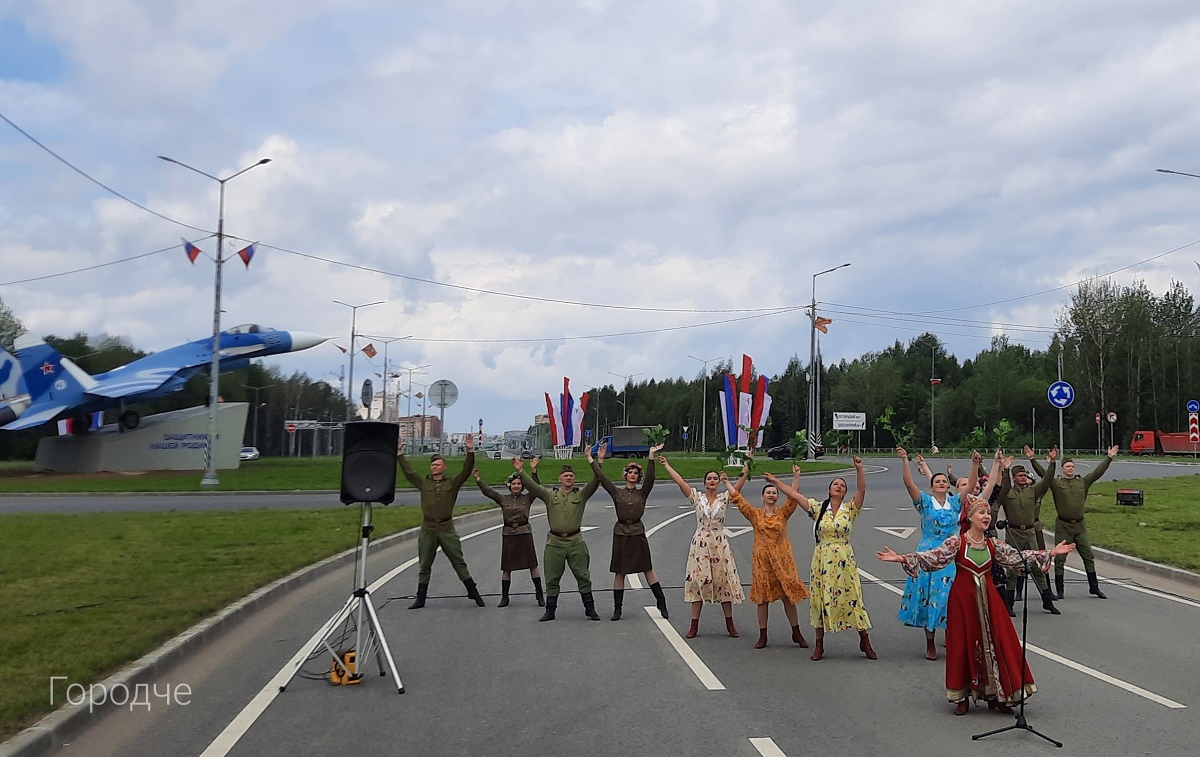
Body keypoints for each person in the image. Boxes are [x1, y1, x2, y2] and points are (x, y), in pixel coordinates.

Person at [877, 497, 1075, 715]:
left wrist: (1050, 553)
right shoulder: (957, 543)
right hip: (963, 599)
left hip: (989, 598)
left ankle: (997, 694)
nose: (986, 516)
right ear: (969, 517)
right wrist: (902, 558)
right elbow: (934, 558)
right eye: (981, 513)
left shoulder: (993, 544)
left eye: (988, 513)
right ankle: (961, 696)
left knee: (997, 641)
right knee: (963, 643)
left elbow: (1017, 557)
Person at [768, 458, 876, 661]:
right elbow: (793, 494)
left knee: (851, 597)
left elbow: (861, 490)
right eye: (836, 483)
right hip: (822, 560)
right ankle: (819, 645)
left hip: (844, 559)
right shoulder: (818, 508)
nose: (839, 486)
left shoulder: (849, 510)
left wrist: (859, 468)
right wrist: (775, 481)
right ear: (829, 489)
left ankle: (864, 639)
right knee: (820, 599)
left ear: (844, 492)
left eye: (842, 485)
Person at [895, 448, 980, 661]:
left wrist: (975, 465)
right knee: (929, 598)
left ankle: (952, 638)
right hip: (928, 552)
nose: (941, 483)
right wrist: (905, 460)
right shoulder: (924, 502)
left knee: (949, 596)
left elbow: (970, 485)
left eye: (944, 481)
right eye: (937, 481)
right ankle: (930, 643)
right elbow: (909, 484)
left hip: (950, 554)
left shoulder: (954, 502)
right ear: (932, 485)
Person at [659, 456, 749, 638]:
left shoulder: (725, 498)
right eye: (709, 479)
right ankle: (694, 625)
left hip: (719, 543)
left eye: (715, 478)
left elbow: (739, 486)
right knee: (698, 581)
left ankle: (730, 623)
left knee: (723, 581)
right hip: (700, 544)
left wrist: (747, 464)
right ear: (705, 482)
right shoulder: (696, 498)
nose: (712, 481)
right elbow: (680, 482)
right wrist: (667, 465)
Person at [724, 465, 809, 650]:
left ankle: (796, 632)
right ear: (762, 497)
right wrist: (726, 483)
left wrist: (796, 476)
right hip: (762, 561)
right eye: (768, 492)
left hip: (783, 559)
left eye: (774, 492)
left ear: (777, 497)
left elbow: (793, 497)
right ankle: (763, 635)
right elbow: (739, 500)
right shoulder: (755, 514)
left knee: (788, 596)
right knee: (762, 599)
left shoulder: (783, 513)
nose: (771, 495)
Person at [398, 434, 485, 609]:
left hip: (446, 528)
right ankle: (421, 597)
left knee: (458, 561)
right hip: (428, 528)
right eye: (432, 464)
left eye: (437, 464)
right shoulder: (424, 483)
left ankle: (472, 591)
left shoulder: (452, 483)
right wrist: (400, 453)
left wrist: (470, 451)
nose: (434, 467)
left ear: (444, 467)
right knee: (424, 564)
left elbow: (466, 471)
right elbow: (409, 472)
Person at [519, 450, 602, 621]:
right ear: (560, 479)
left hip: (576, 542)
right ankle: (550, 610)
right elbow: (534, 488)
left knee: (583, 576)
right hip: (555, 543)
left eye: (571, 475)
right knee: (552, 578)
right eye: (565, 475)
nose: (569, 478)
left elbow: (596, 481)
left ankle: (590, 608)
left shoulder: (581, 494)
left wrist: (597, 461)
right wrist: (522, 471)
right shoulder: (551, 495)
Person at [590, 443, 669, 621]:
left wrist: (651, 457)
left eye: (636, 473)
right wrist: (594, 460)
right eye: (630, 472)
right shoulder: (617, 493)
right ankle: (617, 608)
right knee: (620, 572)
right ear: (625, 475)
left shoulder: (642, 494)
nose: (633, 475)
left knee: (647, 569)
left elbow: (651, 478)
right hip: (621, 533)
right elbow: (602, 478)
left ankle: (661, 601)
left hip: (637, 533)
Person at [1029, 445, 1118, 600]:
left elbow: (1097, 473)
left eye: (1072, 466)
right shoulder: (1056, 483)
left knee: (1088, 556)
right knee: (1060, 559)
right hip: (1063, 526)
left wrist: (1109, 457)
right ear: (1062, 469)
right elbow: (1044, 475)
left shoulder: (1083, 482)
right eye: (1067, 466)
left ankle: (1094, 587)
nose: (1070, 468)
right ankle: (1060, 590)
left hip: (1080, 526)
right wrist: (1032, 459)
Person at [473, 457, 544, 608]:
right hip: (509, 535)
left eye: (519, 484)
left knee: (533, 565)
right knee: (507, 567)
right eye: (514, 484)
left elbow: (536, 487)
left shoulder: (528, 498)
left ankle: (539, 594)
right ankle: (505, 597)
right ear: (509, 486)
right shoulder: (503, 499)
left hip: (524, 533)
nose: (516, 486)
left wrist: (533, 470)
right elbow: (489, 492)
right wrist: (478, 479)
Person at [997, 448, 1059, 615]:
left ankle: (1047, 601)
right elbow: (1002, 486)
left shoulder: (1033, 491)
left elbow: (1047, 481)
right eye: (1020, 475)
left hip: (1030, 533)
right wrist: (1005, 469)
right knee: (1012, 568)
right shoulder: (1008, 492)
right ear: (1014, 478)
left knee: (1038, 566)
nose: (1024, 477)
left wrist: (1052, 463)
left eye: (1025, 475)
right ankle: (1008, 603)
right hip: (1013, 534)